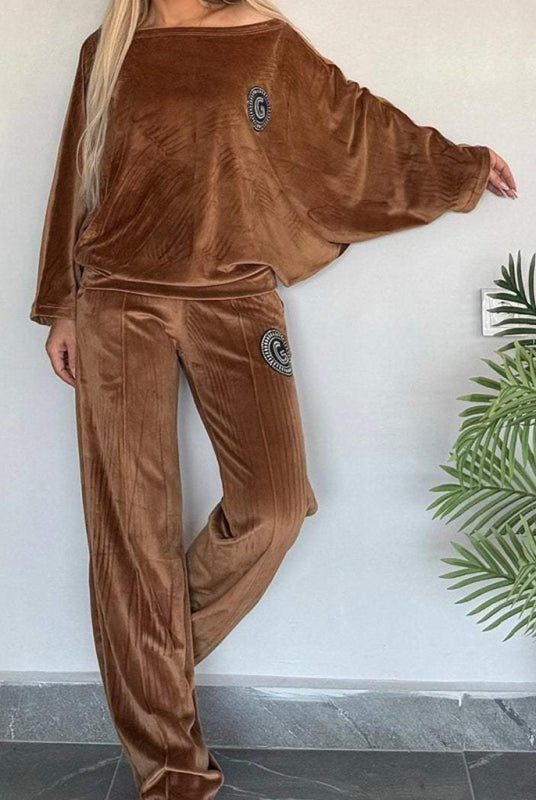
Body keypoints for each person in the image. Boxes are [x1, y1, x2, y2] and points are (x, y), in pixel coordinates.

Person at [29, 0, 517, 797]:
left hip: (235, 298)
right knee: (132, 533)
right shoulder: (109, 48)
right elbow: (74, 179)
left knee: (277, 504)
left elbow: (351, 132)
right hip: (117, 298)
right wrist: (62, 303)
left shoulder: (263, 37)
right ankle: (173, 776)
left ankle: (146, 667)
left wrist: (459, 169)